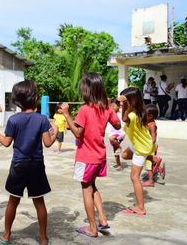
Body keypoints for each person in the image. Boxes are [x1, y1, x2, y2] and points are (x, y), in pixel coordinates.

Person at [0, 80, 58, 245]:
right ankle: (43, 238)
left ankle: (7, 235)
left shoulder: (14, 120)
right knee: (39, 202)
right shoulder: (42, 119)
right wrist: (56, 131)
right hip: (37, 165)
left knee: (13, 201)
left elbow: (5, 142)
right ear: (35, 98)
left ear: (17, 100)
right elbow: (48, 143)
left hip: (19, 165)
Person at [61, 72, 121, 238]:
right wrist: (111, 108)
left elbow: (78, 134)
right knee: (93, 187)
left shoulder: (84, 110)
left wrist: (66, 115)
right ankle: (102, 219)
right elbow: (117, 125)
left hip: (86, 157)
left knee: (86, 189)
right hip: (100, 156)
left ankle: (92, 228)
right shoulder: (107, 108)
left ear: (86, 90)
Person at [118, 87, 153, 216]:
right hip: (139, 143)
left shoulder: (132, 115)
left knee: (134, 177)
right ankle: (153, 158)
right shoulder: (139, 111)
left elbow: (124, 119)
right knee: (125, 155)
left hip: (141, 148)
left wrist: (123, 105)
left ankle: (140, 207)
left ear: (131, 101)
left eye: (125, 101)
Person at [142, 104, 165, 187]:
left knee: (148, 162)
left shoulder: (152, 125)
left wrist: (147, 146)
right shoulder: (148, 123)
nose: (143, 116)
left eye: (145, 115)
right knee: (150, 161)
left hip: (150, 146)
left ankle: (150, 181)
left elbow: (153, 138)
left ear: (151, 116)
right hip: (149, 145)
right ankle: (159, 168)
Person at [108, 98, 126, 171]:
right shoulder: (111, 115)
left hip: (120, 133)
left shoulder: (121, 114)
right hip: (113, 133)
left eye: (113, 106)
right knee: (115, 151)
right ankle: (119, 166)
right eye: (111, 106)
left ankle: (119, 147)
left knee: (111, 138)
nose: (112, 108)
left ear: (118, 106)